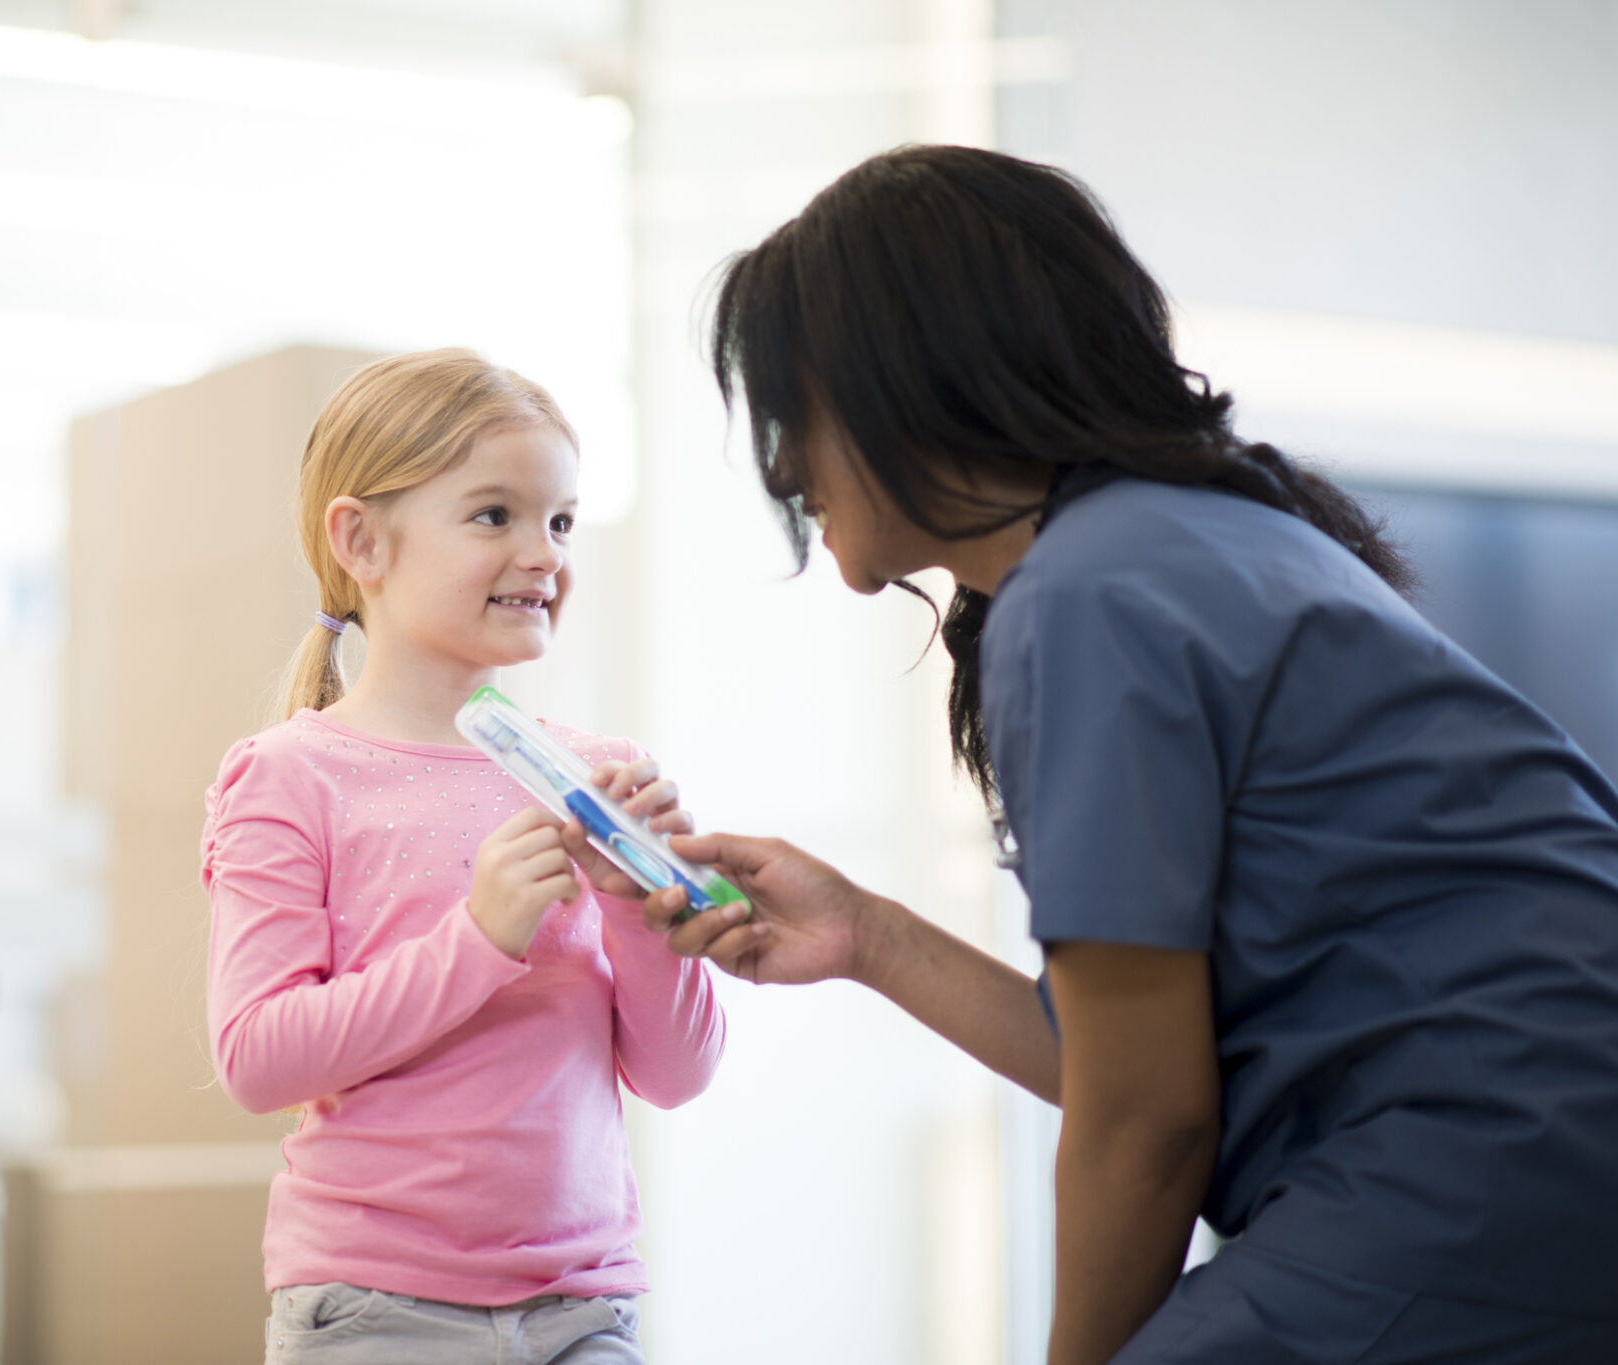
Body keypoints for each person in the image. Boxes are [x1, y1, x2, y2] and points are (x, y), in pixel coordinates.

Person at [627, 146, 1618, 1364]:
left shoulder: (1090, 594)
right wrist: (867, 936)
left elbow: (1147, 1121)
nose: (782, 466)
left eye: (791, 406)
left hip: (1478, 1166)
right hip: (1532, 1152)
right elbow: (1138, 1066)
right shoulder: (1214, 541)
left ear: (905, 377)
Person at [202, 350, 725, 1364]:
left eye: (561, 521)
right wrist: (480, 937)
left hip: (586, 1307)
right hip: (374, 1310)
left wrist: (639, 906)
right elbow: (258, 1060)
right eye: (494, 516)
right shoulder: (289, 777)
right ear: (360, 540)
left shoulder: (602, 773)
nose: (544, 555)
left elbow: (678, 1073)